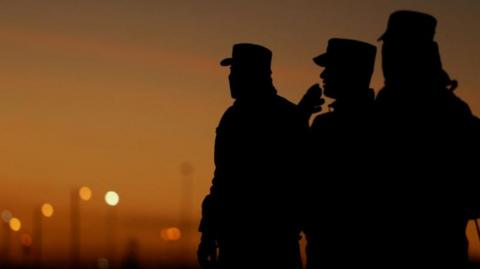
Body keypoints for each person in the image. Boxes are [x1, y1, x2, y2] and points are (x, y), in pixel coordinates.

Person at [375, 10, 480, 268]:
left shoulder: (402, 107)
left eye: (394, 46)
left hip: (425, 245)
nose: (387, 53)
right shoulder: (454, 109)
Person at [197, 43, 307, 269]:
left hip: (272, 244)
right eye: (231, 72)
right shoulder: (235, 116)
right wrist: (208, 233)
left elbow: (298, 180)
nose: (230, 78)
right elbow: (222, 181)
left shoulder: (284, 116)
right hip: (237, 242)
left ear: (253, 74)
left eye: (235, 71)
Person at [302, 38, 377, 269]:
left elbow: (296, 172)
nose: (323, 75)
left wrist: (298, 118)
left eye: (330, 68)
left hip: (334, 250)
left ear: (349, 72)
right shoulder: (383, 121)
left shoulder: (327, 126)